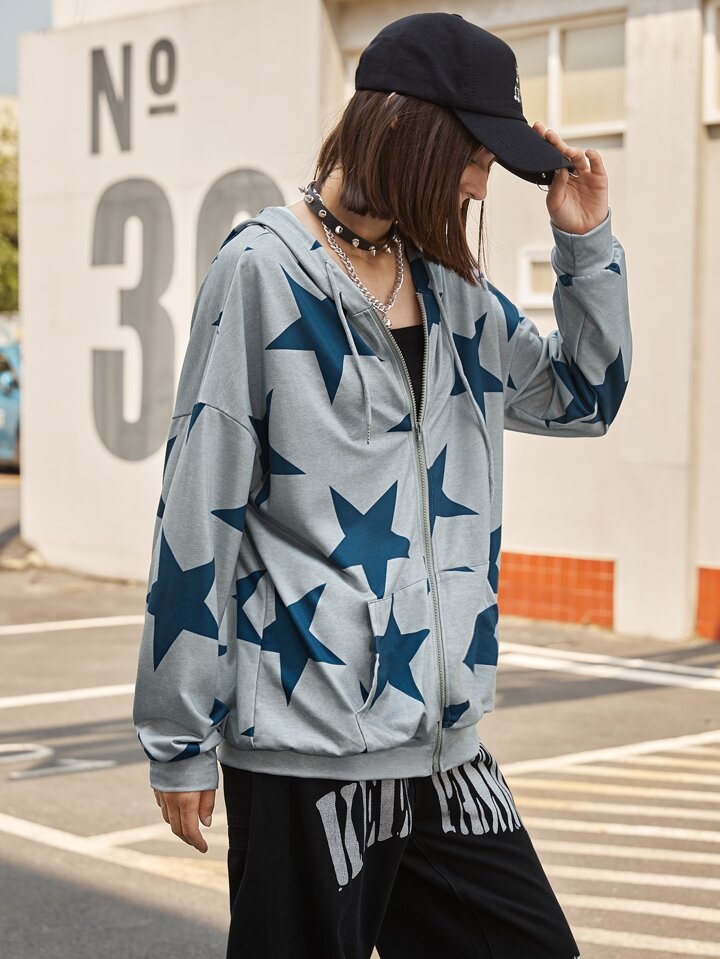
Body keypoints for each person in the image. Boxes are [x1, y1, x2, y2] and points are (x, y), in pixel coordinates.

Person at [133, 12, 631, 959]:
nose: (483, 182)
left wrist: (586, 242)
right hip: (304, 751)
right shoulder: (261, 273)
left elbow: (584, 396)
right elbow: (198, 510)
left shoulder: (453, 289)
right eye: (475, 155)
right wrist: (179, 736)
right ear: (405, 129)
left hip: (443, 750)